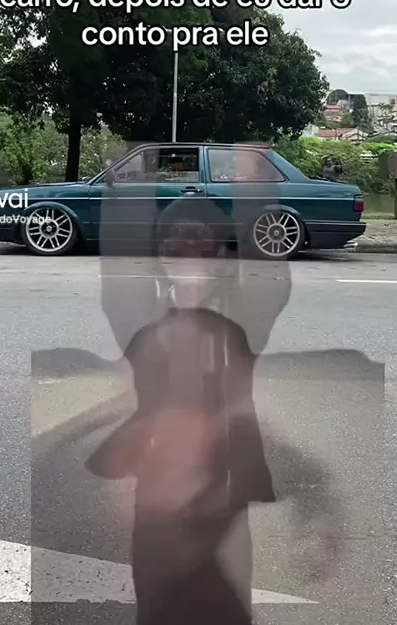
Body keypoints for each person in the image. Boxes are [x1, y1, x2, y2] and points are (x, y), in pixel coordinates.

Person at [89, 179, 292, 624]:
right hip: (160, 487)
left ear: (223, 259)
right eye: (178, 249)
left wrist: (253, 181)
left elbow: (273, 283)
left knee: (228, 610)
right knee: (157, 605)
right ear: (162, 258)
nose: (191, 262)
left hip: (225, 489)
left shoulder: (242, 324)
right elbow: (115, 274)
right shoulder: (140, 321)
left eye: (205, 250)